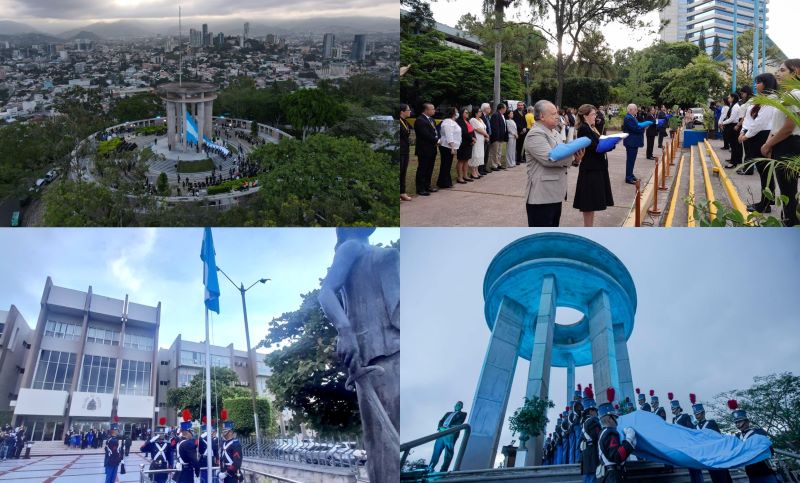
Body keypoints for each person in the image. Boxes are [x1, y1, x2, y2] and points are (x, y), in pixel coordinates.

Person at [318, 228, 399, 483]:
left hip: (396, 348)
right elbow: (326, 291)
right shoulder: (352, 246)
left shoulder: (375, 250)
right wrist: (344, 330)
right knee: (384, 448)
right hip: (377, 356)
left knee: (396, 440)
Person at [524, 100, 585, 227]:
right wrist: (572, 158)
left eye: (557, 113)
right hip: (541, 197)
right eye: (553, 114)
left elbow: (563, 153)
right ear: (541, 116)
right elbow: (549, 158)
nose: (557, 116)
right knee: (542, 238)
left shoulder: (554, 132)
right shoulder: (535, 134)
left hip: (555, 194)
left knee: (552, 234)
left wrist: (576, 159)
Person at [760, 58, 800, 227]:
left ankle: (790, 226)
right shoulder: (787, 95)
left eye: (783, 70)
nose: (778, 73)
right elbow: (777, 125)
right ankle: (789, 224)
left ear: (796, 72)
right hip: (782, 143)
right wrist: (770, 143)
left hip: (789, 144)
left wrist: (769, 144)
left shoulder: (795, 95)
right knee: (787, 192)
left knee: (788, 193)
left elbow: (789, 126)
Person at [573, 104, 615, 227]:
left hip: (596, 167)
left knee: (592, 203)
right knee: (588, 203)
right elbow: (596, 147)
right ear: (585, 116)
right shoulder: (584, 129)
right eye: (593, 114)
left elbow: (599, 142)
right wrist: (612, 143)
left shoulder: (591, 127)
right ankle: (588, 228)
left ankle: (589, 227)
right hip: (590, 169)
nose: (595, 116)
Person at [739, 74, 777, 192]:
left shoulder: (771, 99)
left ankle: (765, 202)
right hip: (758, 134)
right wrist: (744, 132)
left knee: (764, 170)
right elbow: (751, 118)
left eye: (759, 82)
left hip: (762, 135)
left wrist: (746, 135)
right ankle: (767, 200)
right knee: (763, 171)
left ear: (767, 84)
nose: (756, 85)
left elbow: (760, 121)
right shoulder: (762, 99)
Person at [729, 399, 779, 483]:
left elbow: (770, 450)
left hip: (764, 468)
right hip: (750, 471)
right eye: (736, 422)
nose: (738, 424)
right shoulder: (737, 437)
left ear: (747, 422)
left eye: (740, 421)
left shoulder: (758, 432)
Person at [691, 395, 733, 483]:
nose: (697, 415)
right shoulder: (695, 427)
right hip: (707, 456)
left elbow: (719, 438)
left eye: (698, 413)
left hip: (717, 454)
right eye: (695, 414)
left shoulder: (711, 423)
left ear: (703, 413)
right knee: (714, 477)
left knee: (724, 477)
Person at [597, 388, 637, 483]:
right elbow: (617, 457)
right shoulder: (611, 433)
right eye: (614, 417)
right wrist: (628, 440)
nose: (617, 419)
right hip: (614, 476)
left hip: (610, 475)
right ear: (609, 419)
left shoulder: (603, 432)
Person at [669, 393, 702, 483]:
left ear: (679, 408)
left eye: (674, 408)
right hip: (681, 444)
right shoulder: (673, 419)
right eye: (671, 408)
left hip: (689, 444)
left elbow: (690, 429)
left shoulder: (685, 416)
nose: (673, 410)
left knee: (695, 468)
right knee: (690, 468)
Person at [428, 401, 467, 472]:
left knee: (448, 451)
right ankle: (430, 467)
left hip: (451, 433)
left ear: (461, 407)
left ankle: (444, 469)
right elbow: (441, 421)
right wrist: (440, 427)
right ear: (454, 406)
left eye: (459, 405)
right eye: (457, 404)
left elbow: (459, 423)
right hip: (441, 432)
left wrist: (448, 428)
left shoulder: (463, 414)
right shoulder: (448, 413)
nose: (457, 406)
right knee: (437, 450)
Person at [414, 102, 439, 196]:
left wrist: (437, 138)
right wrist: (437, 140)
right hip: (424, 149)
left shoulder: (431, 119)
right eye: (432, 109)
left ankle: (427, 185)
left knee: (430, 168)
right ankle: (420, 188)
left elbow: (435, 131)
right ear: (426, 110)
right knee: (423, 168)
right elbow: (425, 135)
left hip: (432, 148)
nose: (434, 110)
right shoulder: (420, 120)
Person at [139, 419, 173, 483]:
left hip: (163, 466)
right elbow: (142, 449)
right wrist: (150, 441)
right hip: (154, 466)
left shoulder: (168, 444)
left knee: (162, 481)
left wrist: (170, 467)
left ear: (165, 434)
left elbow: (170, 457)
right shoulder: (152, 443)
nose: (161, 435)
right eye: (159, 433)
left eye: (162, 433)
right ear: (156, 434)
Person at [437, 107, 461, 189]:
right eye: (456, 111)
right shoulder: (447, 122)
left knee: (448, 165)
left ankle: (446, 181)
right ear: (453, 113)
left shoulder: (453, 121)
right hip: (447, 146)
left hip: (450, 146)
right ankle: (443, 182)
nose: (458, 113)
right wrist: (452, 147)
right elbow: (449, 135)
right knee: (445, 164)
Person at [580, 386, 600, 483]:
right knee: (592, 478)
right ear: (591, 411)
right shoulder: (593, 422)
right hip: (592, 453)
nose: (597, 412)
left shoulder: (584, 422)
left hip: (585, 454)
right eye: (595, 410)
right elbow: (597, 437)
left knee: (587, 478)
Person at [622, 104, 646, 184]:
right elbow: (635, 129)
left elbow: (637, 126)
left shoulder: (632, 117)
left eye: (636, 109)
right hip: (631, 142)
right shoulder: (628, 118)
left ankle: (630, 174)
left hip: (633, 142)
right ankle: (628, 177)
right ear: (630, 110)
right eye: (635, 109)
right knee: (630, 160)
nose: (636, 110)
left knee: (632, 160)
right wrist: (644, 128)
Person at [175, 410, 200, 483]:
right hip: (186, 471)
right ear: (186, 432)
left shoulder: (179, 441)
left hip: (179, 469)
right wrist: (197, 470)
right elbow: (194, 460)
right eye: (191, 431)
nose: (192, 434)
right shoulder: (188, 443)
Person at [218, 412, 243, 483]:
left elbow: (236, 463)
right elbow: (222, 459)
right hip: (224, 474)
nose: (223, 432)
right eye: (223, 431)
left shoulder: (236, 444)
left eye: (225, 431)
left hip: (233, 475)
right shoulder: (223, 442)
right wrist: (221, 471)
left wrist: (226, 473)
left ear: (231, 431)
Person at [722, 93, 743, 168]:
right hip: (731, 126)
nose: (728, 99)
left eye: (729, 97)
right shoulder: (733, 106)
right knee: (733, 145)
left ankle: (734, 162)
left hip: (733, 127)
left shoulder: (736, 106)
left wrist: (723, 123)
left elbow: (732, 118)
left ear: (733, 98)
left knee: (734, 145)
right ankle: (733, 160)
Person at [455, 108, 475, 184]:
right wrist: (471, 139)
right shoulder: (459, 121)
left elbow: (472, 131)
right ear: (461, 113)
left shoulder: (467, 121)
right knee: (461, 160)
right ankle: (459, 177)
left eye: (468, 112)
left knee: (466, 160)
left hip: (469, 143)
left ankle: (465, 175)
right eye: (466, 112)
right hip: (463, 143)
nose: (467, 114)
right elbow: (464, 132)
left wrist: (474, 139)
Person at [469, 108, 489, 181]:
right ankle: (473, 172)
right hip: (476, 138)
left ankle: (477, 170)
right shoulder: (473, 120)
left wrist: (485, 136)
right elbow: (478, 129)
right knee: (475, 154)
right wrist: (486, 135)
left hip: (481, 139)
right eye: (479, 111)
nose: (481, 113)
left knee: (480, 155)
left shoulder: (481, 120)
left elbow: (484, 128)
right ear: (475, 113)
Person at [198, 418, 219, 483]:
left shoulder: (200, 438)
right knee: (212, 477)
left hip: (203, 459)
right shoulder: (213, 438)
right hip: (212, 459)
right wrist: (217, 458)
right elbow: (215, 450)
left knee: (204, 477)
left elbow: (199, 450)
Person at [399, 103, 412, 201]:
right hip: (399, 151)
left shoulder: (406, 122)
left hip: (405, 150)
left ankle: (402, 192)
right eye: (408, 110)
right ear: (402, 112)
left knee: (403, 172)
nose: (410, 111)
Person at [103, 418, 124, 483]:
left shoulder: (114, 439)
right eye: (117, 430)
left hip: (114, 461)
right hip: (111, 462)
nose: (118, 431)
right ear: (113, 431)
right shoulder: (112, 440)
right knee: (109, 478)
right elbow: (114, 452)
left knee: (112, 478)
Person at [489, 102, 508, 171]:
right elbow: (495, 128)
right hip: (496, 137)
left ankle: (498, 163)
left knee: (499, 151)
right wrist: (496, 137)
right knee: (495, 152)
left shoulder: (502, 115)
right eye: (505, 108)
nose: (506, 109)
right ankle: (494, 165)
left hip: (501, 137)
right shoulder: (496, 115)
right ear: (502, 108)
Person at [481, 103, 493, 174]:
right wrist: (486, 136)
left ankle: (484, 167)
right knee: (483, 153)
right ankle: (481, 168)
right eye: (488, 108)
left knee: (486, 153)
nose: (490, 109)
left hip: (489, 136)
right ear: (484, 109)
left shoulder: (487, 116)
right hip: (484, 137)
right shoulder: (481, 117)